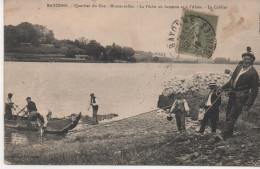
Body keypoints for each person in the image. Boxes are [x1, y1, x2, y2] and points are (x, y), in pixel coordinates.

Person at [216, 47, 259, 141]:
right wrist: (222, 87)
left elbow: (255, 91)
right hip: (232, 95)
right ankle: (229, 135)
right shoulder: (238, 67)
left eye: (248, 59)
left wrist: (248, 104)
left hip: (241, 98)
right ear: (242, 59)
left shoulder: (253, 73)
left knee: (232, 116)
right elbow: (232, 81)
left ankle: (222, 135)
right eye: (244, 59)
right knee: (228, 114)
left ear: (252, 61)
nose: (246, 61)